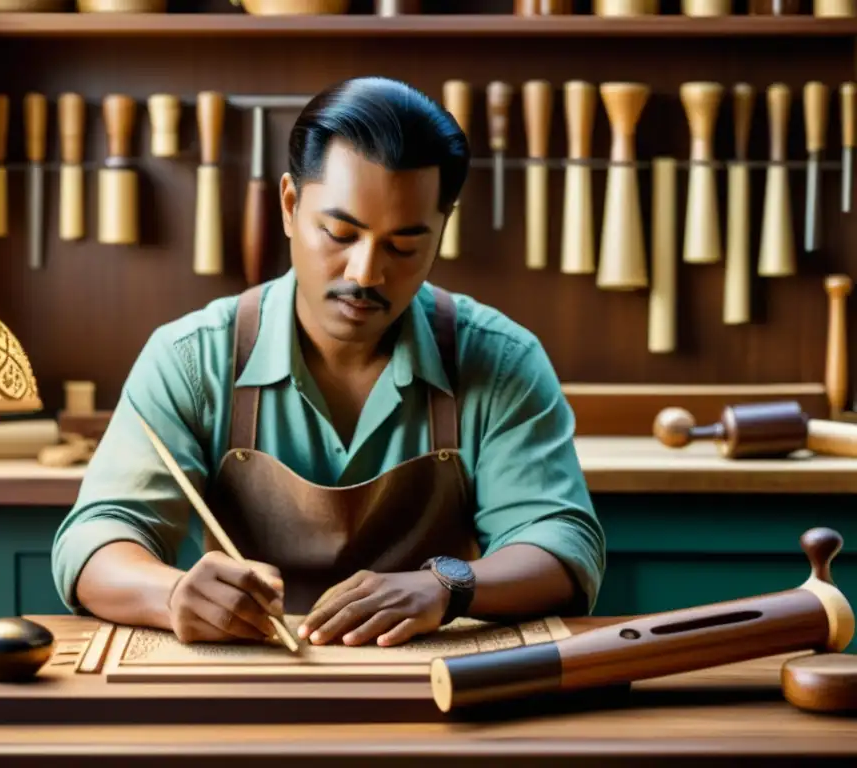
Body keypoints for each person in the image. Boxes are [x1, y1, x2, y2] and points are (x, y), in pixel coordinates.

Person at [51, 76, 605, 649]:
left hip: (435, 684)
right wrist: (170, 595)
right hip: (247, 679)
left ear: (443, 229)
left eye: (404, 245)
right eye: (340, 233)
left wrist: (447, 587)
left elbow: (561, 544)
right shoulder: (192, 358)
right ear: (290, 206)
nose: (366, 273)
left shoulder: (500, 359)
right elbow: (96, 539)